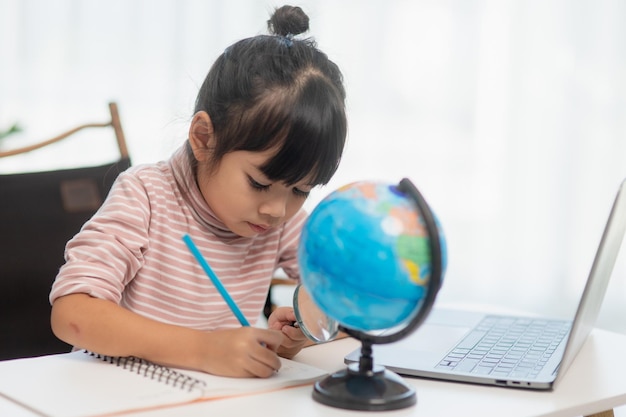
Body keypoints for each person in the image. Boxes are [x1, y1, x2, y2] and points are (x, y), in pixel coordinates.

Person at [49, 5, 347, 378]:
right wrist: (203, 349)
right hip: (119, 394)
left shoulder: (280, 220)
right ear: (204, 139)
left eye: (301, 190)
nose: (276, 209)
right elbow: (73, 313)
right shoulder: (145, 196)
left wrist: (304, 330)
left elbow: (345, 292)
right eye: (259, 183)